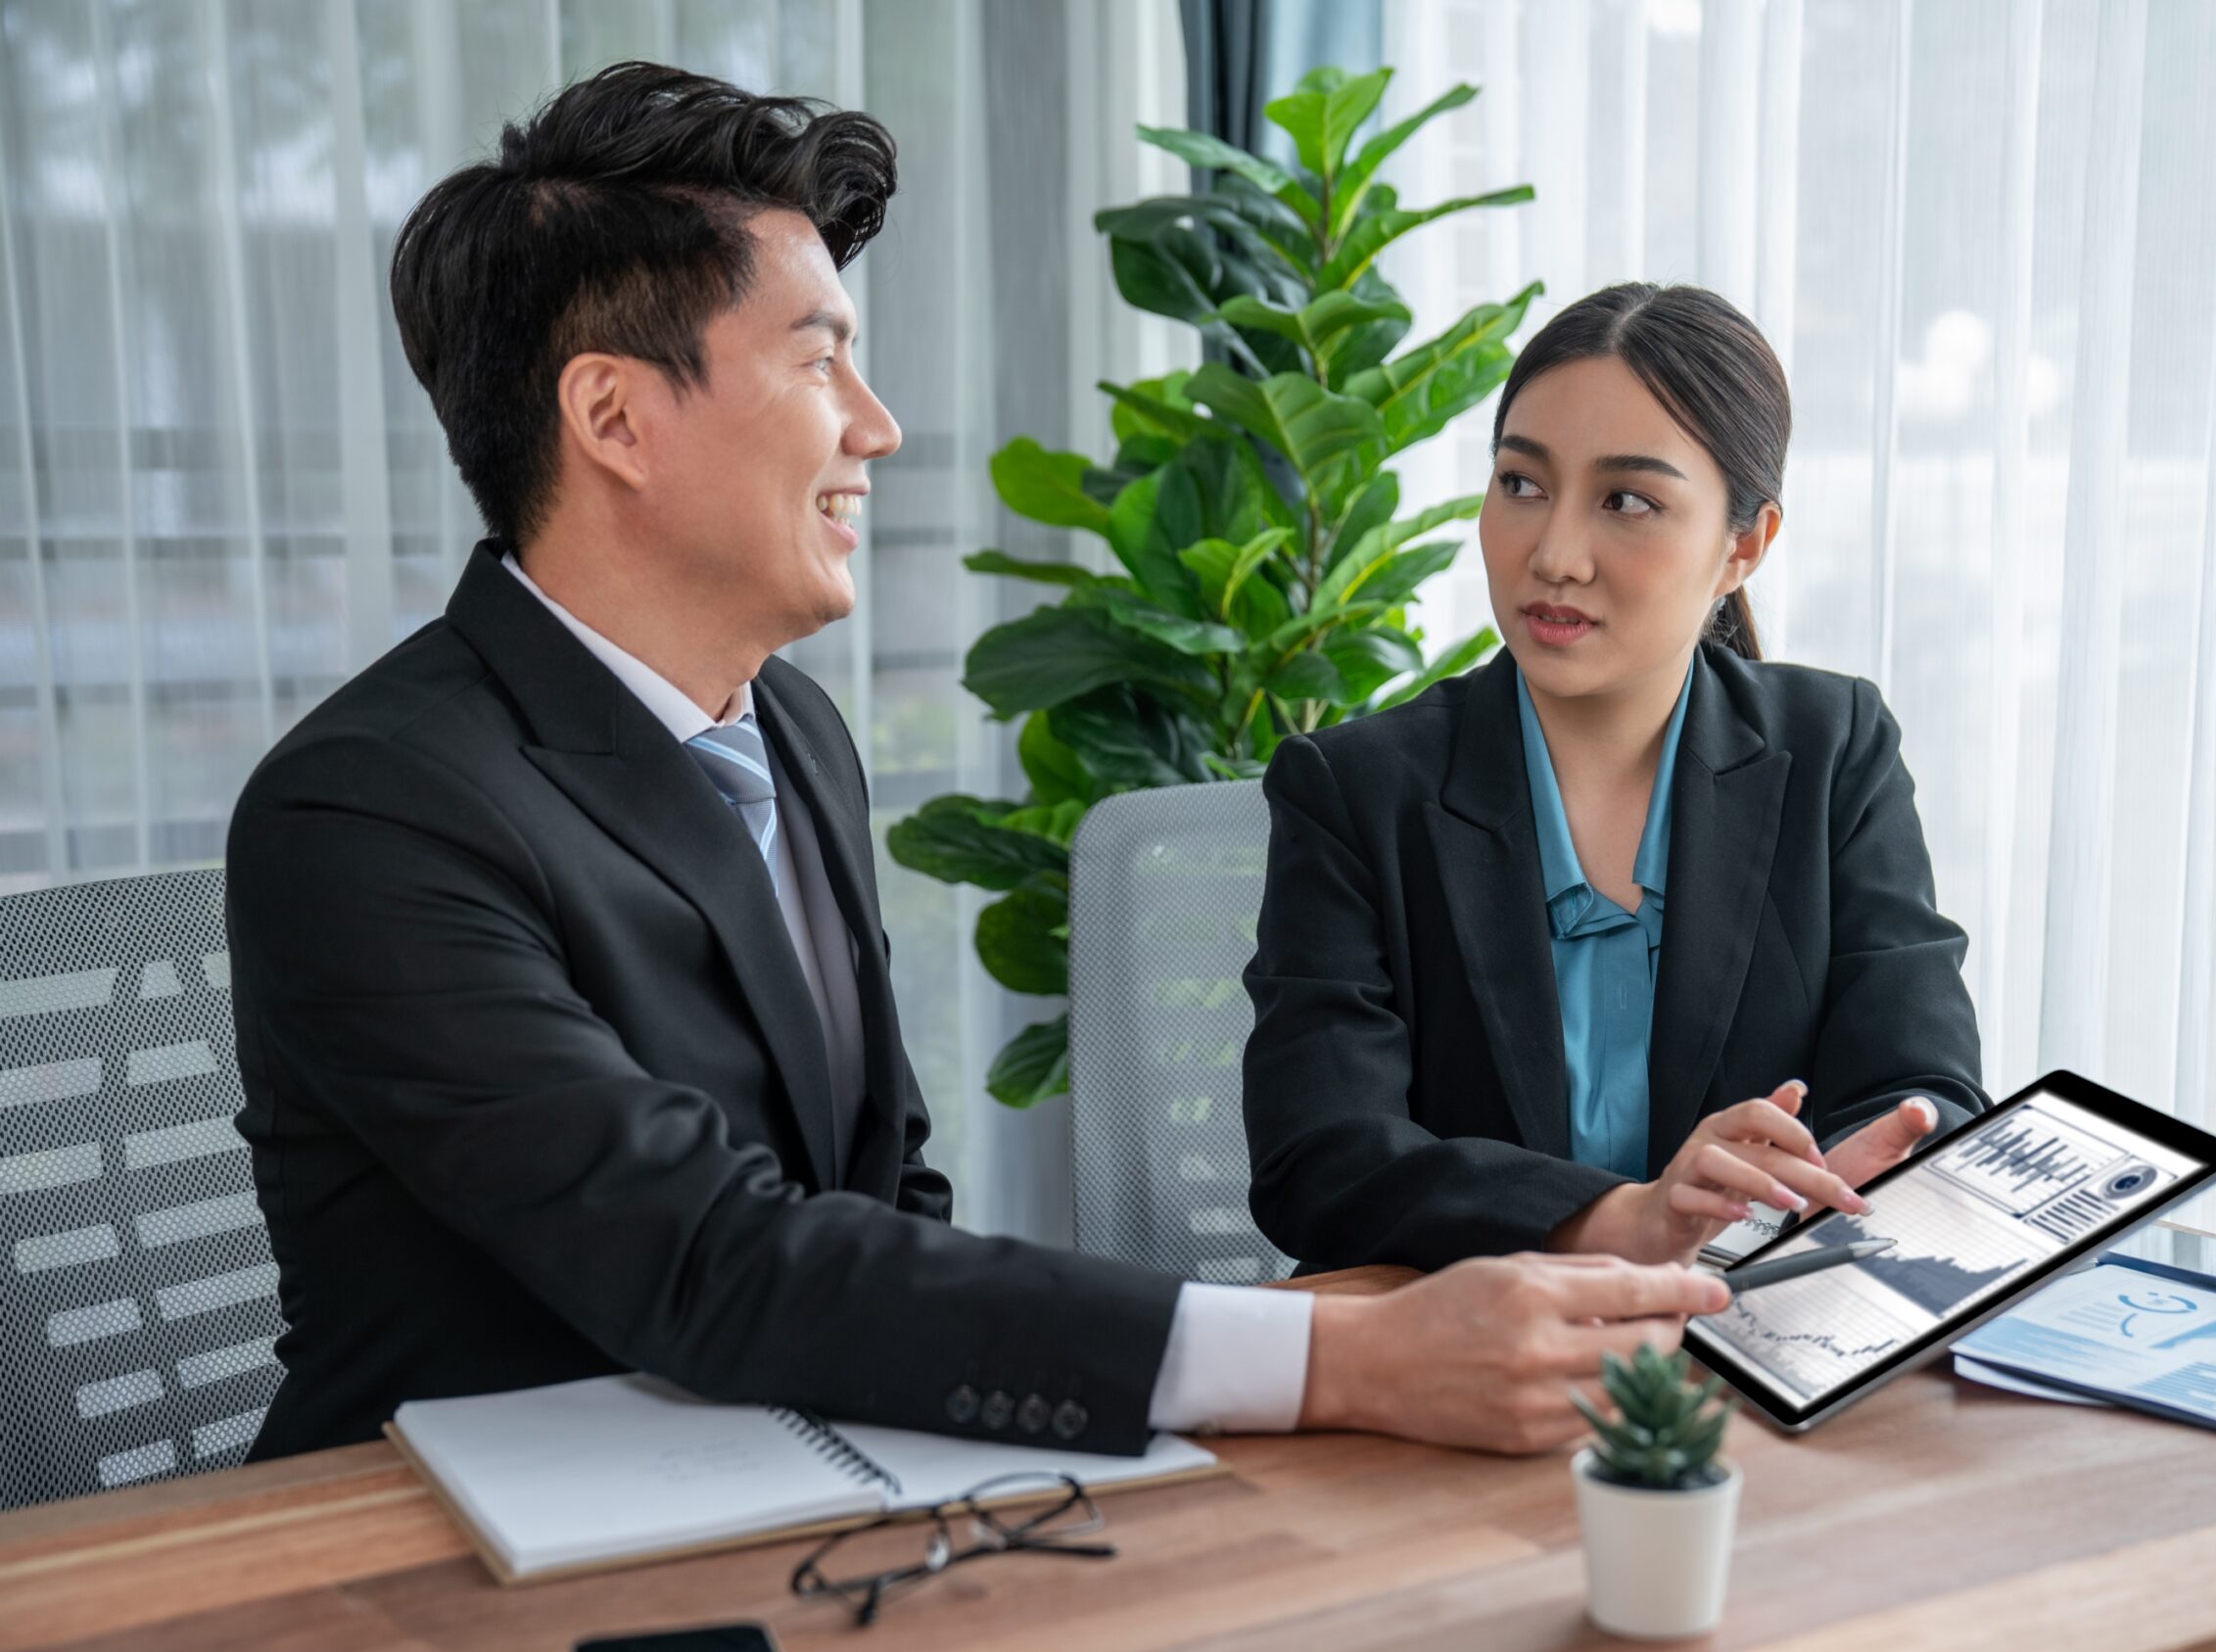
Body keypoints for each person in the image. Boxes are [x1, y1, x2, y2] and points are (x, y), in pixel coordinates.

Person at [224, 64, 1727, 1467]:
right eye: (820, 362)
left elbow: (887, 1193)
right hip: (434, 1548)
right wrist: (1341, 1358)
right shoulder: (370, 810)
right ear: (615, 417)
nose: (876, 430)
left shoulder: (791, 730)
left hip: (792, 1478)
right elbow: (710, 1256)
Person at [1241, 283, 1989, 1276]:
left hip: (1755, 1324)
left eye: (1626, 501)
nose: (1554, 555)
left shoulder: (1834, 751)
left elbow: (1922, 1081)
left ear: (1744, 545)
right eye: (1521, 483)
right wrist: (1613, 1220)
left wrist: (1875, 1165)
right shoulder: (1353, 789)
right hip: (1459, 1341)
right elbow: (1321, 1156)